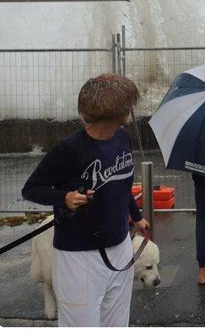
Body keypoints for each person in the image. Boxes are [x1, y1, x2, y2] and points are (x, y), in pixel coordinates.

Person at [22, 73, 149, 327]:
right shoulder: (68, 149)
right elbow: (31, 189)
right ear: (120, 112)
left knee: (116, 322)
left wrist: (137, 217)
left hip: (120, 246)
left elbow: (122, 186)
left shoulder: (123, 138)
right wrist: (64, 197)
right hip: (78, 258)